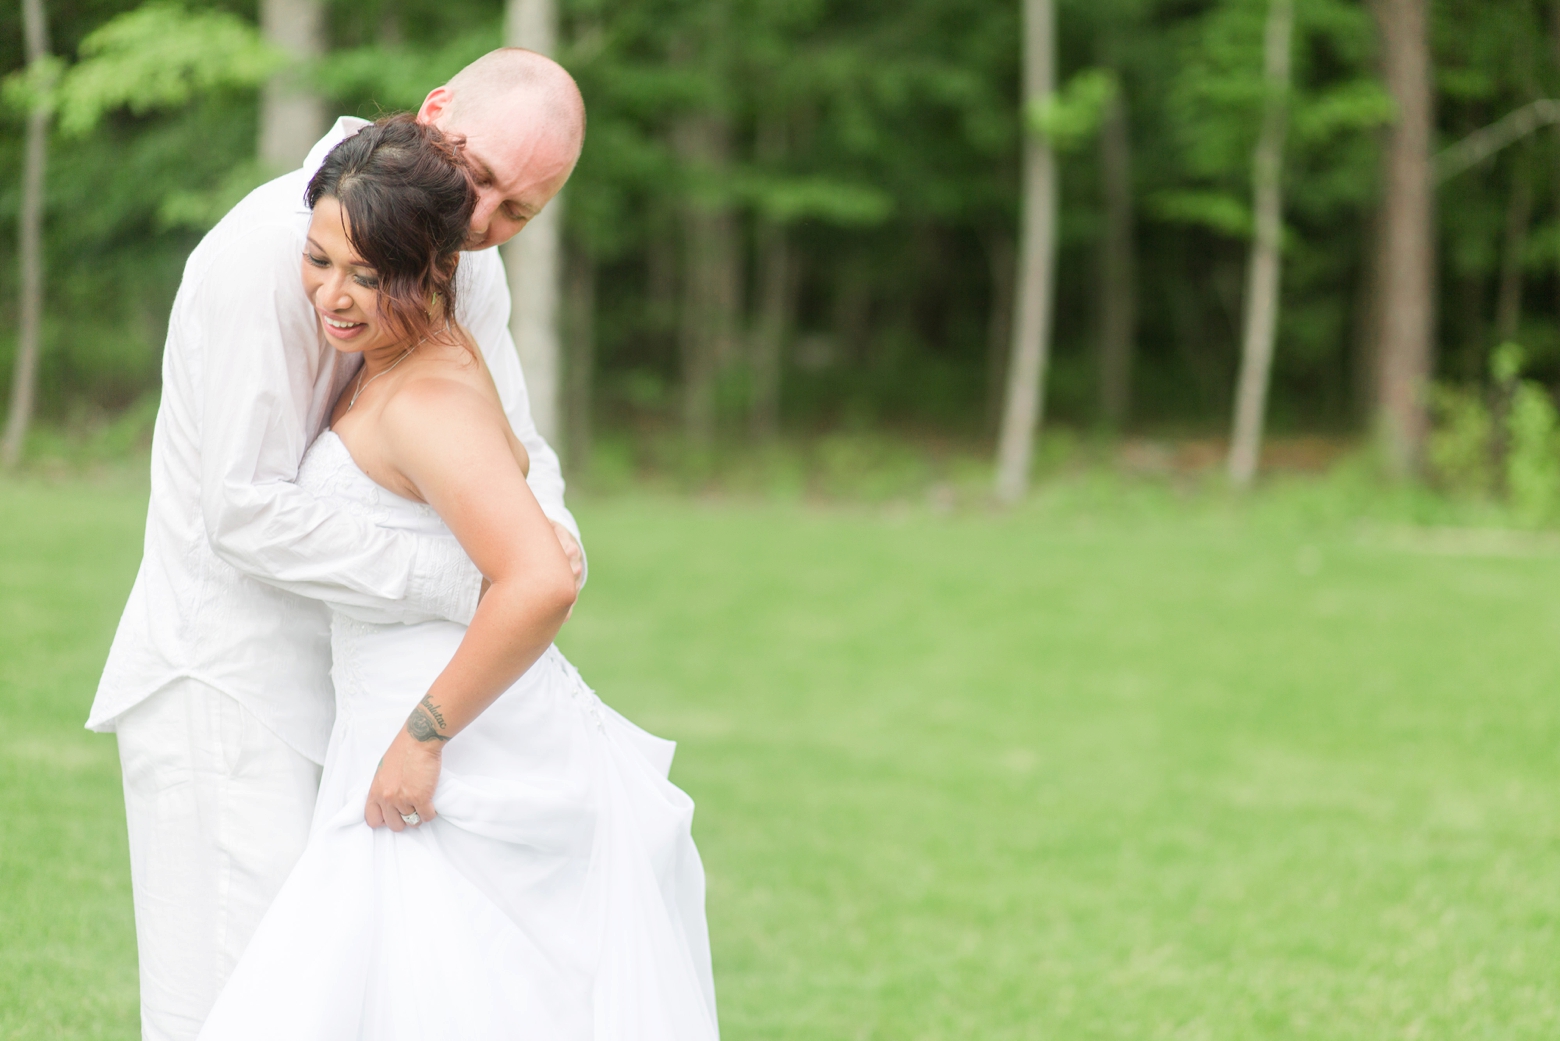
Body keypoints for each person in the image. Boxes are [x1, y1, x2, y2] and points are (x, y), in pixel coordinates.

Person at [89, 50, 588, 1041]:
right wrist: (470, 582)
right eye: (480, 176)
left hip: (357, 692)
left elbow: (514, 441)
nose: (483, 221)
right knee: (231, 1014)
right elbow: (241, 510)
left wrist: (553, 544)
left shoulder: (464, 266)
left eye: (516, 211)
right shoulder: (271, 246)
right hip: (227, 688)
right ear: (435, 109)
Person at [195, 115, 717, 1041]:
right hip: (394, 720)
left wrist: (424, 736)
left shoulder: (429, 393)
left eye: (368, 274)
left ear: (437, 271)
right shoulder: (413, 356)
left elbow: (540, 579)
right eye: (320, 261)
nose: (334, 297)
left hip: (454, 746)